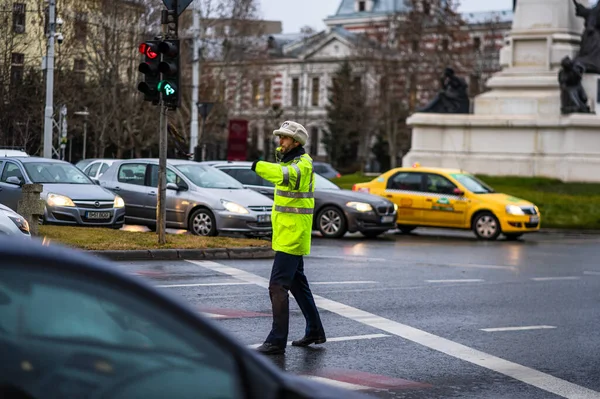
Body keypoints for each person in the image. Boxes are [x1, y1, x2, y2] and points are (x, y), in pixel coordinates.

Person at [251, 121, 326, 355]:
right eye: (279, 137)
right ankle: (315, 330)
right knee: (298, 285)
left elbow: (286, 176)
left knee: (277, 286)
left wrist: (257, 166)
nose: (279, 141)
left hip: (293, 235)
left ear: (296, 142)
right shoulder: (290, 160)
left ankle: (276, 340)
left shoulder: (302, 164)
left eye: (284, 138)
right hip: (287, 232)